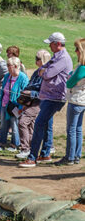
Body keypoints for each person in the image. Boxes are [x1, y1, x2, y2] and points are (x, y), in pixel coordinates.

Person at [19, 32, 73, 168]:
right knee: (47, 125)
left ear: (58, 44)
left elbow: (46, 73)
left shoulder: (63, 58)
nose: (49, 46)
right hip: (48, 96)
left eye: (51, 43)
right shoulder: (57, 56)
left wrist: (44, 71)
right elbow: (41, 70)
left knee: (39, 124)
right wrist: (44, 71)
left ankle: (32, 158)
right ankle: (45, 153)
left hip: (54, 97)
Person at [16, 49, 51, 160]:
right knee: (30, 125)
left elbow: (44, 91)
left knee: (22, 122)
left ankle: (25, 149)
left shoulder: (48, 73)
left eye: (38, 59)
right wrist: (25, 92)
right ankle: (30, 148)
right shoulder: (37, 72)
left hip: (39, 103)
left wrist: (31, 93)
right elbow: (31, 84)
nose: (36, 61)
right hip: (30, 100)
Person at [55, 38, 85, 166]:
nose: (75, 51)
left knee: (72, 130)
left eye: (77, 49)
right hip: (82, 101)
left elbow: (70, 82)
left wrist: (70, 78)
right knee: (77, 129)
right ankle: (76, 156)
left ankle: (70, 157)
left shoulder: (82, 67)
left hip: (76, 100)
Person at [0, 57, 28, 152]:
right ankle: (2, 143)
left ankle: (14, 145)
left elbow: (26, 94)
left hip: (16, 106)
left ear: (15, 66)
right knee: (3, 125)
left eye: (8, 65)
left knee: (15, 126)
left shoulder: (23, 78)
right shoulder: (7, 76)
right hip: (5, 104)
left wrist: (21, 108)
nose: (7, 67)